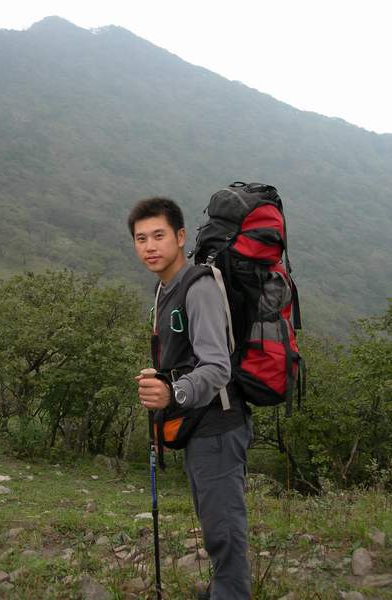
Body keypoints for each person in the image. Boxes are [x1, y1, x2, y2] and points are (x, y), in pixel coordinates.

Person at [128, 197, 252, 600]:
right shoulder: (164, 289)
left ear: (180, 237)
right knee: (214, 522)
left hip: (219, 426)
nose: (150, 246)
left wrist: (171, 392)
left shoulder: (198, 288)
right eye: (141, 238)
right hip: (197, 424)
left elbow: (217, 368)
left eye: (159, 235)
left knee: (224, 530)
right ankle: (224, 590)